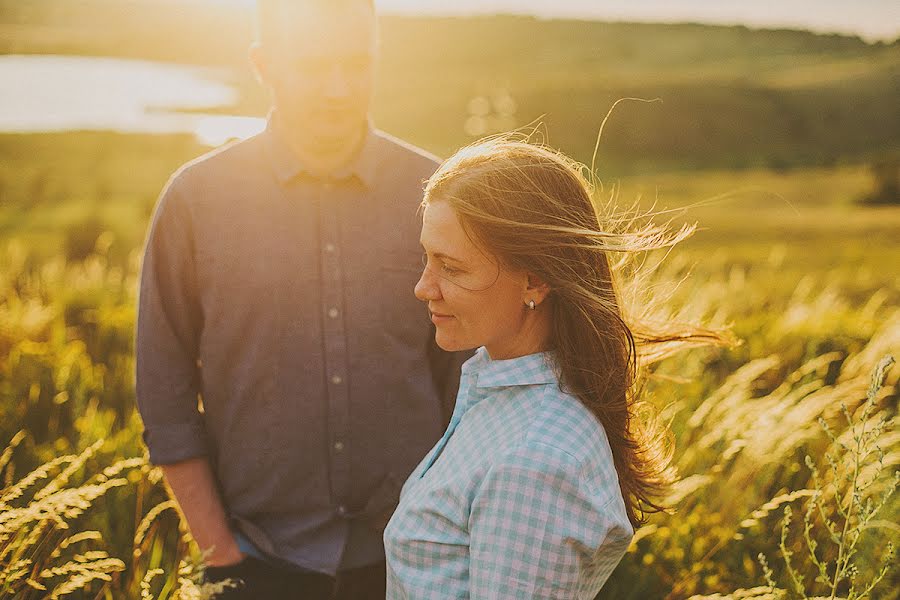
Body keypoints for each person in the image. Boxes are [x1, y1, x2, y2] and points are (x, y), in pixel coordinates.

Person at [135, 1, 467, 598]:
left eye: (356, 64)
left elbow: (466, 376)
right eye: (314, 66)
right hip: (256, 562)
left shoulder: (436, 194)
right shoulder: (195, 201)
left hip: (417, 559)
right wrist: (222, 558)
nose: (338, 88)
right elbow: (165, 396)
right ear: (264, 65)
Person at [383, 138, 728, 598]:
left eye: (452, 268)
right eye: (427, 258)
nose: (424, 288)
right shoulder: (498, 395)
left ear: (535, 279)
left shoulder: (535, 461)